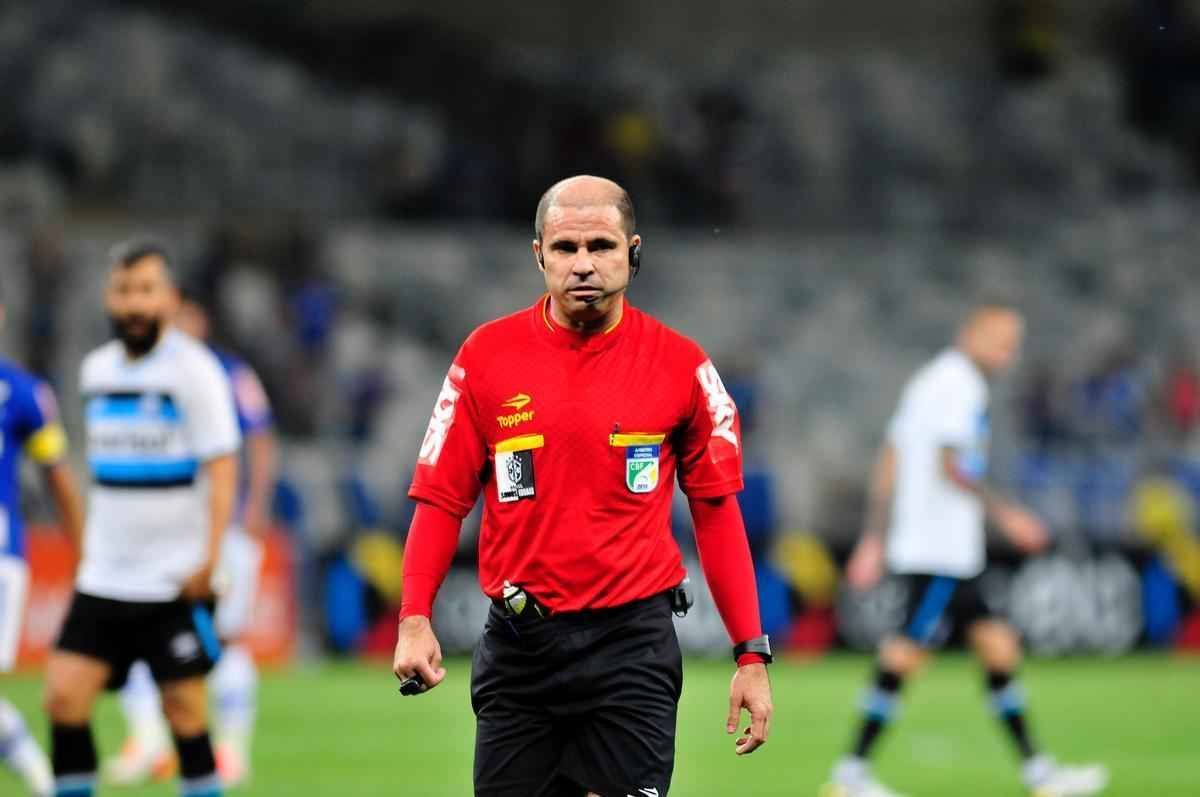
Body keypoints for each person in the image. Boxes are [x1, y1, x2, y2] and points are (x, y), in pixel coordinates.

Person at [392, 175, 774, 797]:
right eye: (566, 248)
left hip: (632, 648)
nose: (584, 264)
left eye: (602, 246)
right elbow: (440, 499)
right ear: (538, 252)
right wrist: (414, 617)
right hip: (521, 648)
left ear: (634, 252)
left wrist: (750, 656)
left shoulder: (682, 367)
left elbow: (717, 512)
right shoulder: (484, 357)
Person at [822, 305, 1109, 797]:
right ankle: (850, 775)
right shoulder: (960, 386)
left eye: (1013, 342)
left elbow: (892, 454)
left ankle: (1039, 772)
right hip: (939, 550)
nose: (1009, 353)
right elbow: (952, 465)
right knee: (905, 654)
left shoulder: (927, 382)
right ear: (970, 335)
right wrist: (1009, 515)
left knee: (998, 647)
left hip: (946, 549)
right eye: (1000, 340)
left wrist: (875, 535)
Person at [43, 239, 240, 797]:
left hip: (173, 579)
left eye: (146, 291)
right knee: (63, 697)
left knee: (185, 714)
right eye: (124, 290)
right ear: (109, 297)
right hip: (106, 576)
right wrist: (87, 549)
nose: (134, 304)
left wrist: (211, 558)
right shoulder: (95, 372)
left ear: (171, 300)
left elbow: (223, 468)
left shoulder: (195, 372)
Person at [105, 291, 275, 788]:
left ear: (200, 319)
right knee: (134, 629)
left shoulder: (230, 373)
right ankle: (149, 740)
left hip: (225, 529)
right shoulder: (149, 375)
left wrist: (256, 509)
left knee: (222, 639)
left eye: (185, 315)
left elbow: (260, 441)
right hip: (164, 529)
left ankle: (232, 750)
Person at [0, 298, 85, 797]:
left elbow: (59, 480)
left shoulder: (21, 391)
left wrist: (85, 553)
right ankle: (41, 777)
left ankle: (40, 777)